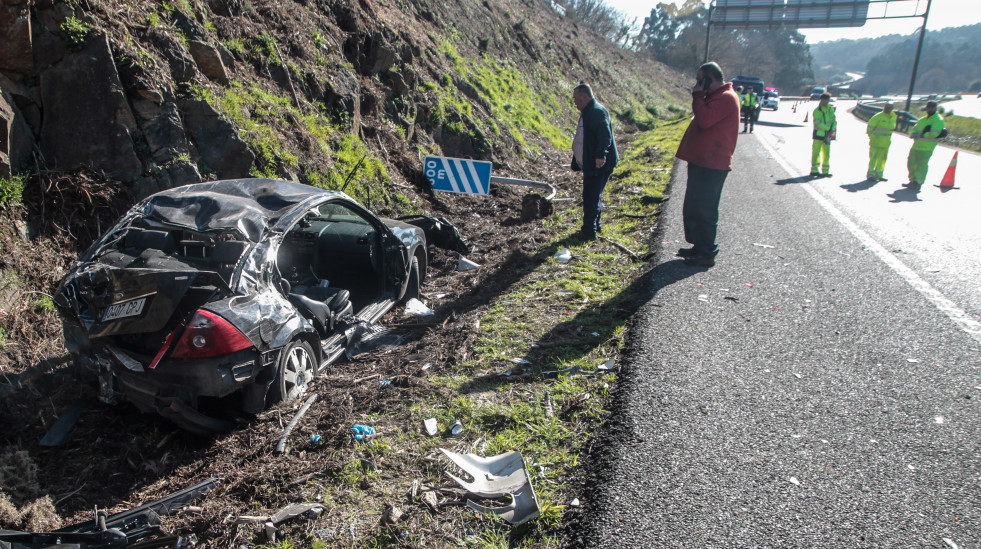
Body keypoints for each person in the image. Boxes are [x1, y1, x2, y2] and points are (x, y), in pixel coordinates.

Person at [674, 61, 740, 267]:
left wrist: (698, 96)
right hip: (703, 162)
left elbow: (704, 120)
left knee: (705, 208)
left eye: (700, 79)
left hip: (712, 164)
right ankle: (699, 246)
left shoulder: (726, 98)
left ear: (710, 78)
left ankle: (707, 252)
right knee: (694, 206)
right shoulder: (716, 97)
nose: (697, 84)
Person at [570, 83, 618, 241]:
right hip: (593, 161)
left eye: (576, 98)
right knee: (593, 195)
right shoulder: (588, 111)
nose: (574, 101)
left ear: (584, 97)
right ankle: (595, 226)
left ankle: (589, 232)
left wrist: (600, 156)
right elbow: (583, 138)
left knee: (591, 196)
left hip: (599, 163)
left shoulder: (596, 112)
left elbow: (605, 135)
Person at [904, 100, 945, 191]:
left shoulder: (938, 120)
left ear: (935, 108)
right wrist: (914, 133)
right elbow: (916, 128)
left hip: (927, 147)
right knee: (911, 163)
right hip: (916, 146)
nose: (929, 109)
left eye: (932, 107)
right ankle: (912, 180)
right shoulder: (923, 119)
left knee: (921, 165)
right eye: (928, 107)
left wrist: (923, 135)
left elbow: (934, 133)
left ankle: (918, 182)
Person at [866, 103, 897, 181]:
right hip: (876, 142)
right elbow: (870, 127)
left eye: (890, 107)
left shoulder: (893, 117)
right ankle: (871, 175)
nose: (888, 109)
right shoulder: (878, 116)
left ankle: (879, 175)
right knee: (873, 159)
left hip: (886, 143)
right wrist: (872, 136)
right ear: (884, 107)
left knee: (882, 160)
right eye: (887, 107)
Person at [810, 92, 836, 177]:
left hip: (827, 135)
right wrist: (828, 129)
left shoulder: (831, 109)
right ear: (821, 100)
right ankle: (814, 170)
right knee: (816, 153)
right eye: (823, 100)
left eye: (827, 100)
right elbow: (817, 123)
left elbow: (834, 120)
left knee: (826, 154)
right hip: (819, 135)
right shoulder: (817, 111)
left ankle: (825, 171)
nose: (825, 102)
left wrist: (832, 129)